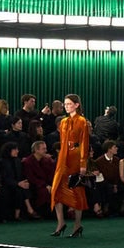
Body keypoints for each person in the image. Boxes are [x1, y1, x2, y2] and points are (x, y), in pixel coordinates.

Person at [50, 92, 91, 237]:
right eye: (65, 104)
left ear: (77, 105)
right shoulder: (63, 121)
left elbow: (84, 143)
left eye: (69, 104)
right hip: (63, 156)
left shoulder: (82, 121)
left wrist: (83, 163)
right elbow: (62, 142)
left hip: (76, 156)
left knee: (76, 190)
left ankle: (77, 225)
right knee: (56, 189)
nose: (66, 106)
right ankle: (60, 222)